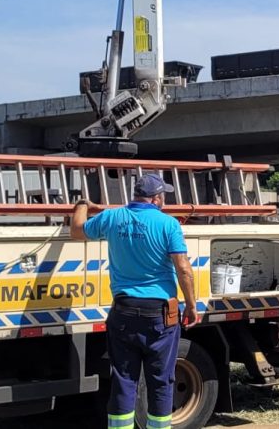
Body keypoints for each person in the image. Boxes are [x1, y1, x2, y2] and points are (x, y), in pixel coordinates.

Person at [70, 174, 198, 429]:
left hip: (123, 312)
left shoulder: (112, 217)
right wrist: (192, 305)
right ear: (158, 198)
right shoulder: (167, 224)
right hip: (160, 314)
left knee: (124, 379)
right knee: (161, 380)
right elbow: (183, 269)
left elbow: (76, 231)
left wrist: (83, 204)